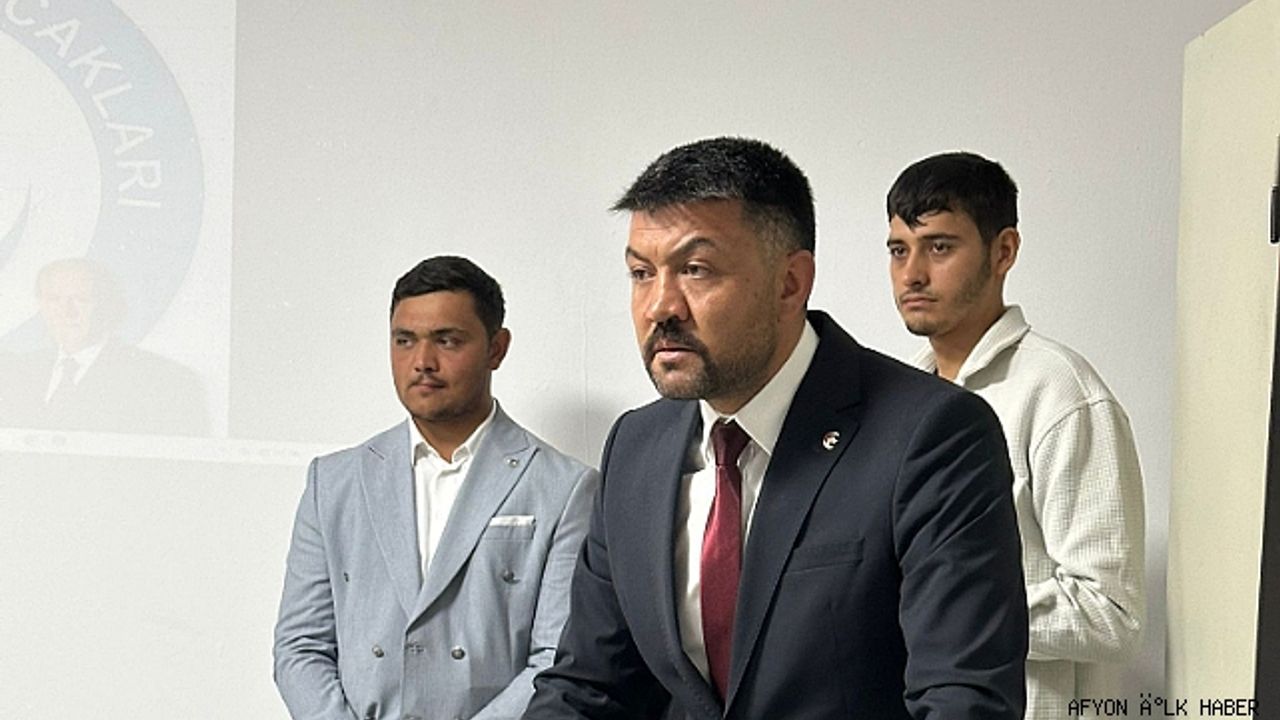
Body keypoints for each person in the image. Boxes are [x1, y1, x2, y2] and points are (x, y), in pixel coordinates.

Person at [524, 137, 1028, 719]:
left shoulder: (933, 435)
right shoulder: (636, 448)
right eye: (641, 273)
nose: (660, 306)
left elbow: (963, 700)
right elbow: (589, 687)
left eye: (695, 270)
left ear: (790, 282)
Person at [273, 256, 599, 720]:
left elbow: (556, 658)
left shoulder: (564, 488)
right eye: (404, 340)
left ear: (497, 349)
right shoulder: (334, 481)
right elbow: (300, 644)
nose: (422, 362)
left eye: (447, 340)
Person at [885, 152, 1145, 720]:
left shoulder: (1062, 394)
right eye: (899, 250)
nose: (912, 274)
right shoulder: (895, 400)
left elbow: (1111, 612)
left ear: (1003, 251)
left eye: (939, 247)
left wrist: (944, 608)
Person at [0, 257, 209, 434]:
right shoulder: (15, 373)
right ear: (40, 305)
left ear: (105, 304)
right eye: (54, 299)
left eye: (81, 299)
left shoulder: (161, 380)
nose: (66, 311)